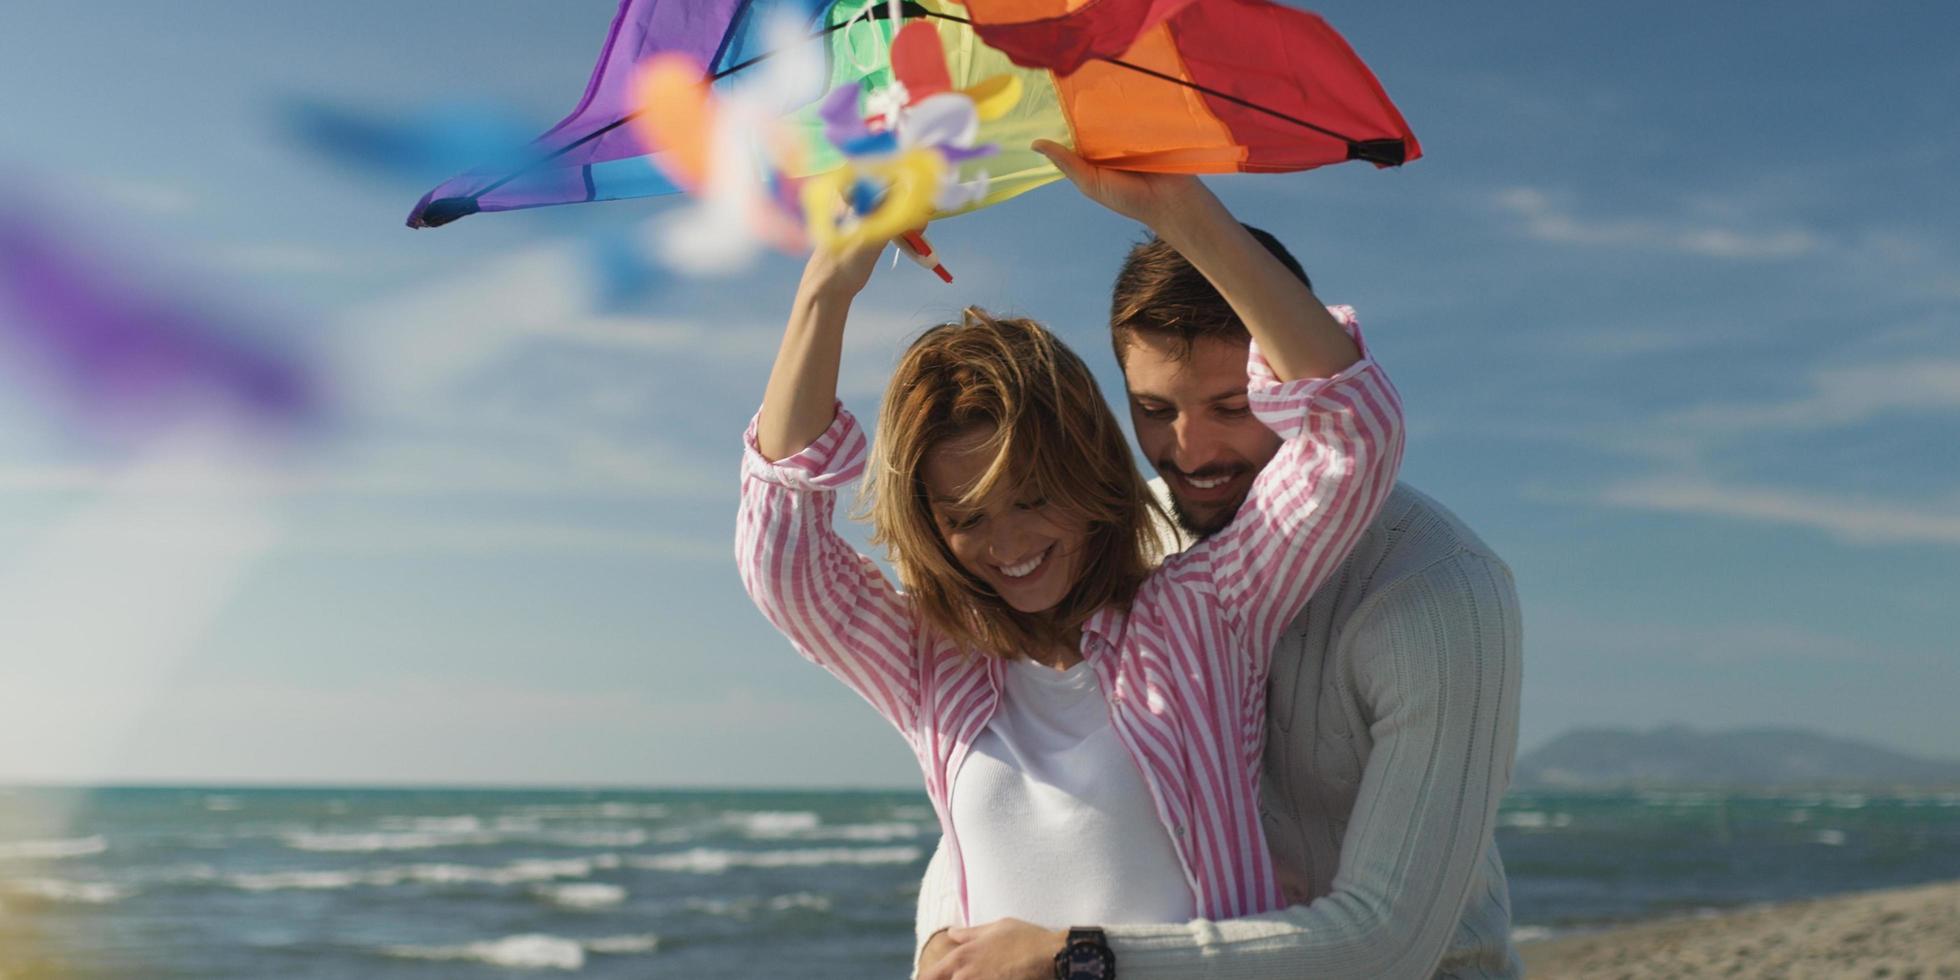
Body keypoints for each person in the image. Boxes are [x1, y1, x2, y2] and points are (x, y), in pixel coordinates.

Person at [738, 141, 1404, 974]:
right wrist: (826, 286)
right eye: (966, 516)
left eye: (1032, 496)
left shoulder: (1203, 616)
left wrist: (1178, 212)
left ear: (1087, 470)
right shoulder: (931, 664)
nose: (1009, 545)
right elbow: (782, 559)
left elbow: (1354, 436)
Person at [913, 169, 1524, 979]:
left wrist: (1079, 961)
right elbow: (1008, 786)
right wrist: (945, 940)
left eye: (1233, 408)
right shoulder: (1129, 542)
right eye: (1156, 411)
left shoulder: (1438, 588)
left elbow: (1390, 940)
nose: (1191, 454)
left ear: (1283, 383)